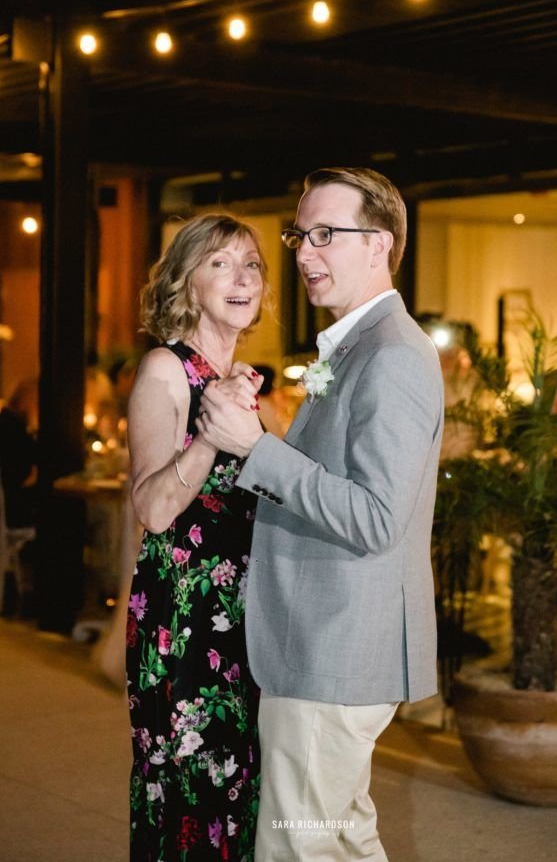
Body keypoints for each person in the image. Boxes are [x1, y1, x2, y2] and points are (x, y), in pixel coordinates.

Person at [198, 168, 444, 861]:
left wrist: (257, 449)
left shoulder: (392, 354)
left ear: (380, 244)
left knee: (294, 847)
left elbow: (373, 516)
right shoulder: (356, 346)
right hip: (328, 639)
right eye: (300, 235)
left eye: (327, 234)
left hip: (333, 644)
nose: (304, 253)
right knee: (340, 837)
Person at [126, 213, 267, 862]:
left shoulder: (239, 379)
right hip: (181, 620)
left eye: (252, 265)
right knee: (184, 788)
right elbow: (152, 509)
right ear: (186, 280)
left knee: (235, 788)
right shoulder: (165, 370)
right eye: (221, 263)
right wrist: (212, 433)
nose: (243, 277)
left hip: (240, 618)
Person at [0, 378, 39, 527]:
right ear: (26, 403)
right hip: (16, 508)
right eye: (36, 403)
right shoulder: (15, 431)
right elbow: (23, 476)